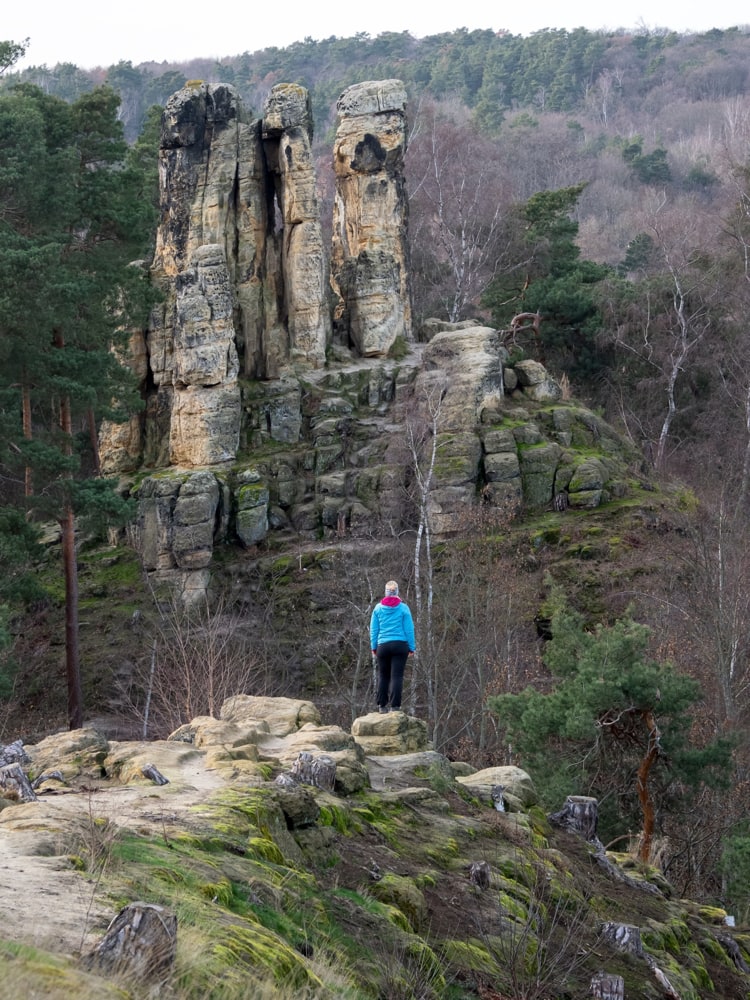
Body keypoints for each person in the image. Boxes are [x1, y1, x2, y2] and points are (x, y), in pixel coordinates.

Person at [369, 580, 415, 713]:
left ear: (386, 592)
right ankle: (395, 707)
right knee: (397, 676)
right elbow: (409, 629)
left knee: (383, 676)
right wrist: (412, 647)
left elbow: (374, 630)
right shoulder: (403, 608)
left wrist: (374, 647)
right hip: (400, 645)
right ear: (397, 593)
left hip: (382, 645)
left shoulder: (377, 609)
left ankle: (382, 706)